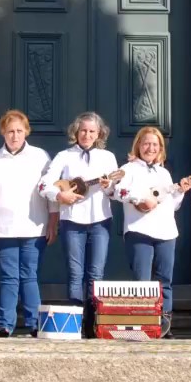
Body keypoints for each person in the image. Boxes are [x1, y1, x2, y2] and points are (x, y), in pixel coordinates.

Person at [39, 112, 118, 337]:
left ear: (99, 134)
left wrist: (107, 186)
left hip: (100, 220)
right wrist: (60, 196)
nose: (87, 135)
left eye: (92, 131)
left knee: (96, 274)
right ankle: (75, 323)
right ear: (76, 131)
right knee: (75, 273)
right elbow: (44, 185)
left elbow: (115, 192)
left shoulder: (108, 157)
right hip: (72, 220)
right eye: (83, 130)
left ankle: (93, 324)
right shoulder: (64, 156)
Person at [115, 126, 191, 339]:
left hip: (166, 231)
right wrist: (139, 200)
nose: (150, 148)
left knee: (164, 279)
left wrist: (180, 191)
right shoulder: (128, 169)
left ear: (160, 149)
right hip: (139, 230)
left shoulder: (164, 172)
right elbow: (117, 191)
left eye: (154, 144)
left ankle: (164, 323)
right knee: (142, 281)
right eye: (146, 143)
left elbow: (171, 205)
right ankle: (143, 322)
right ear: (138, 146)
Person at [0, 110, 54, 338]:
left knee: (29, 275)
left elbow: (51, 190)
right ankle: (5, 323)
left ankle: (34, 322)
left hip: (34, 226)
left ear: (26, 132)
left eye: (19, 131)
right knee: (8, 277)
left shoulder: (40, 157)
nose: (15, 136)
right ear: (3, 133)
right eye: (10, 131)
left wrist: (54, 220)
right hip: (3, 229)